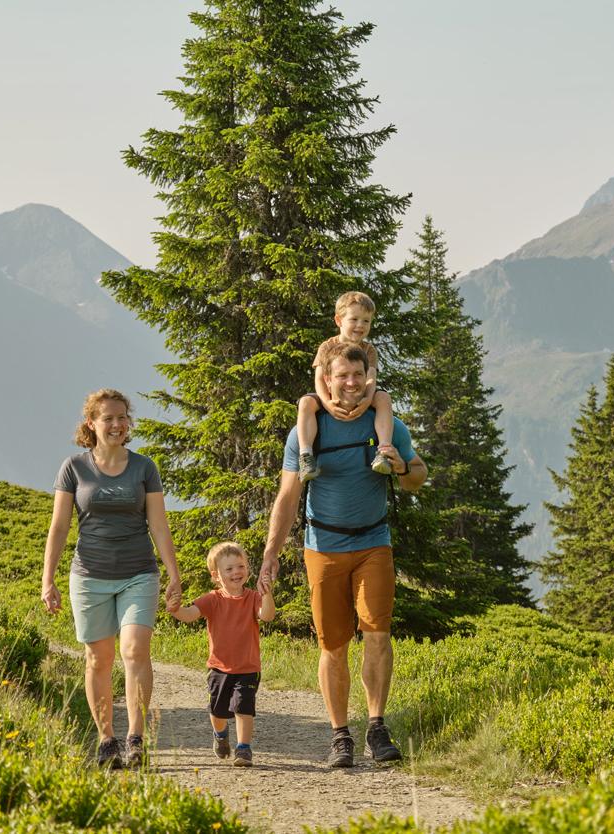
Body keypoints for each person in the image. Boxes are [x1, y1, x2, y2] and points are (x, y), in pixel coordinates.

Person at [262, 343, 427, 768]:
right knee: (332, 645)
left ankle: (376, 726)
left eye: (358, 375)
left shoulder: (386, 424)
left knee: (377, 634)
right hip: (323, 548)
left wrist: (401, 466)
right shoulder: (307, 430)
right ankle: (340, 735)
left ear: (367, 377)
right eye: (342, 376)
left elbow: (418, 476)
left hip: (374, 543)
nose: (351, 383)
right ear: (327, 379)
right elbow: (288, 495)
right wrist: (270, 553)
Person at [41, 388, 180, 769]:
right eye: (108, 418)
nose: (117, 425)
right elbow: (59, 527)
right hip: (89, 576)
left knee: (134, 651)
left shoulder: (144, 468)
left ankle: (135, 737)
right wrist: (47, 579)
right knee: (98, 659)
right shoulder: (74, 468)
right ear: (92, 423)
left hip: (139, 573)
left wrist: (174, 573)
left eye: (122, 417)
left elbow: (158, 524)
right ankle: (106, 739)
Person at [171, 541, 277, 767]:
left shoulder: (253, 597)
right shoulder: (212, 599)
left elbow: (267, 616)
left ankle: (244, 748)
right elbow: (190, 614)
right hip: (219, 667)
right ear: (216, 576)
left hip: (248, 667)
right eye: (229, 569)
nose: (236, 572)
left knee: (243, 707)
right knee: (218, 712)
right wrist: (176, 609)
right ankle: (220, 735)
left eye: (241, 566)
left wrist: (267, 594)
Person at [294, 291, 397, 482]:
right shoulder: (327, 346)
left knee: (383, 398)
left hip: (361, 393)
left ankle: (383, 451)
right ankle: (306, 456)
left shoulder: (368, 350)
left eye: (366, 321)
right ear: (339, 320)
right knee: (306, 403)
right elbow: (319, 379)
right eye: (354, 319)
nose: (360, 325)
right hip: (330, 395)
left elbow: (371, 378)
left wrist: (367, 400)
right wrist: (327, 403)